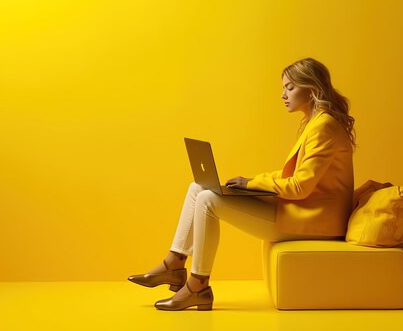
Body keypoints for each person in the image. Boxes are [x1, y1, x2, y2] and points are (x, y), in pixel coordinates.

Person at [127, 57, 358, 311]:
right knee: (198, 188)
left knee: (208, 200)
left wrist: (252, 184)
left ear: (312, 88)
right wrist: (251, 182)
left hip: (316, 220)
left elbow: (301, 186)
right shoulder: (315, 122)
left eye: (290, 87)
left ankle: (198, 285)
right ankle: (174, 263)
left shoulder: (323, 125)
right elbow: (293, 176)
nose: (283, 95)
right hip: (303, 210)